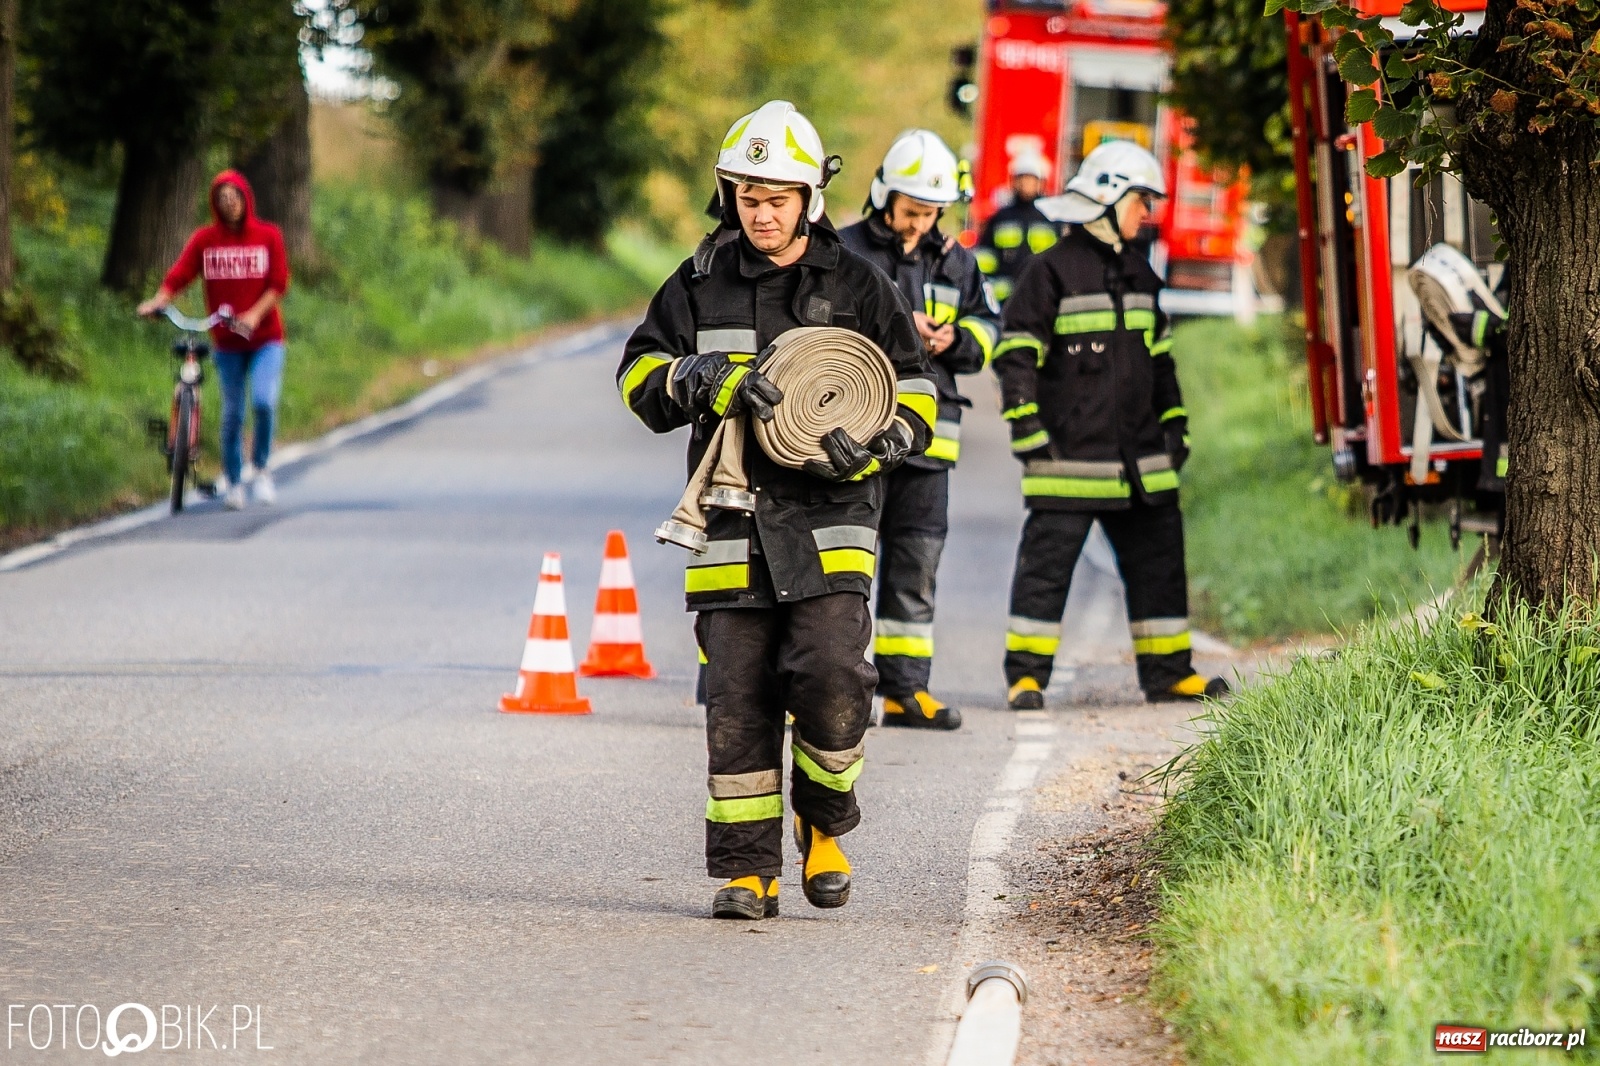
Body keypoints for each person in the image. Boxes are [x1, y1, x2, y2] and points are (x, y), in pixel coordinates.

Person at [617, 101, 936, 920]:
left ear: (809, 199)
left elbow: (919, 387)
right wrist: (696, 379)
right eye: (748, 197)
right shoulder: (696, 282)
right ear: (730, 195)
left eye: (778, 198)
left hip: (832, 519)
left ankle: (823, 825)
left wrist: (886, 441)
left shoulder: (858, 284)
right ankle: (748, 869)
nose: (762, 213)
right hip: (731, 521)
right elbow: (636, 375)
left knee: (834, 678)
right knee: (738, 698)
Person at [991, 141, 1227, 709]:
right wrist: (1028, 430)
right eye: (1141, 200)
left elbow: (1161, 363)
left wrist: (1177, 429)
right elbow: (1015, 354)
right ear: (1108, 198)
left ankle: (1170, 674)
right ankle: (1026, 678)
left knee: (1161, 564)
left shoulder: (1141, 273)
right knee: (1045, 574)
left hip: (1142, 459)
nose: (1147, 212)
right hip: (1068, 459)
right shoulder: (1049, 272)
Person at [839, 129, 999, 731]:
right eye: (910, 211)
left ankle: (907, 690)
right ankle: (840, 690)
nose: (918, 224)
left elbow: (988, 329)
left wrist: (954, 338)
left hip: (931, 447)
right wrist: (895, 327)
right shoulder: (845, 251)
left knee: (916, 568)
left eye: (929, 213)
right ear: (885, 196)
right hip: (858, 435)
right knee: (846, 566)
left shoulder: (957, 261)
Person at [138, 171, 290, 511]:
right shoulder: (206, 241)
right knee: (232, 413)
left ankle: (261, 468)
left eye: (234, 198)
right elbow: (180, 274)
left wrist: (252, 315)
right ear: (215, 204)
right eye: (222, 200)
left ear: (245, 198)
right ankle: (235, 481)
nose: (229, 205)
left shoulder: (268, 236)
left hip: (265, 338)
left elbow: (278, 283)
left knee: (264, 402)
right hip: (227, 343)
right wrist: (159, 300)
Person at [974, 153, 1059, 305]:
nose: (1026, 183)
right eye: (1022, 178)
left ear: (1040, 182)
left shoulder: (1051, 217)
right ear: (1014, 181)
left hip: (1041, 299)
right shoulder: (1001, 217)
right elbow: (985, 256)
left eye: (1031, 178)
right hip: (1004, 301)